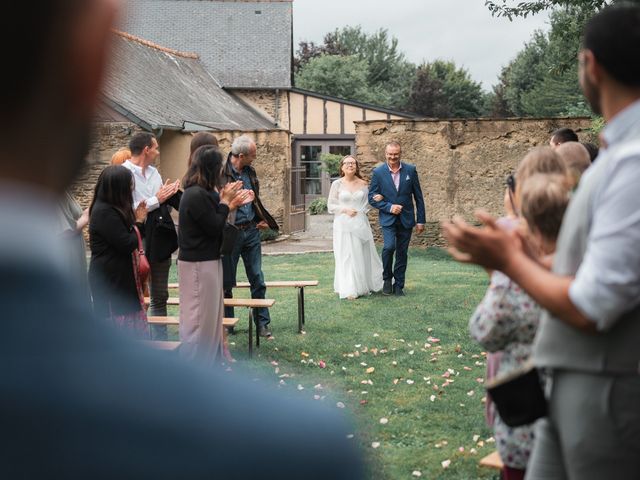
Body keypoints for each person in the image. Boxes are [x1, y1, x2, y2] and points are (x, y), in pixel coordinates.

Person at [0, 1, 363, 477]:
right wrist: (222, 208)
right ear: (91, 63)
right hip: (182, 259)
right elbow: (199, 228)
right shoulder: (290, 448)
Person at [444, 6, 640, 478]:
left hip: (605, 387)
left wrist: (510, 261)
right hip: (565, 380)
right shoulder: (619, 152)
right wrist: (534, 258)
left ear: (590, 66)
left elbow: (594, 305)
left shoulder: (632, 163)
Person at [470, 173, 571, 480]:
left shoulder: (516, 279)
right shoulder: (585, 267)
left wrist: (495, 273)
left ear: (527, 221)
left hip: (527, 410)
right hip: (581, 408)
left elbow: (483, 331)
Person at [178, 146, 251, 364]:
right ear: (212, 167)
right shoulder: (194, 194)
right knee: (198, 318)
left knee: (211, 317)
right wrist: (226, 203)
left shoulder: (205, 191)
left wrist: (229, 202)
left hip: (209, 258)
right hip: (198, 262)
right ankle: (194, 366)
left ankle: (209, 362)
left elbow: (214, 218)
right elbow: (214, 226)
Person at [123, 132, 180, 340]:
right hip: (137, 237)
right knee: (136, 292)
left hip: (160, 237)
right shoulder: (124, 173)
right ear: (146, 149)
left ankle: (161, 338)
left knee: (160, 294)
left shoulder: (155, 172)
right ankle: (137, 338)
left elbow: (153, 203)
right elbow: (134, 209)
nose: (158, 151)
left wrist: (168, 193)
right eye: (155, 148)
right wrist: (158, 198)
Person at [222, 135, 279, 338]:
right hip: (231, 232)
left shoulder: (250, 171)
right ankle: (228, 324)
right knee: (226, 281)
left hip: (252, 231)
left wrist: (259, 218)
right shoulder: (222, 173)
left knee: (257, 277)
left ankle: (262, 324)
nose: (255, 157)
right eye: (252, 154)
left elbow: (254, 198)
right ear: (240, 155)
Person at [88, 165, 149, 338]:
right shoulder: (104, 212)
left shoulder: (111, 208)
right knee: (117, 328)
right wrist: (139, 222)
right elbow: (127, 243)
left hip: (118, 276)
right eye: (129, 186)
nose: (132, 189)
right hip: (110, 279)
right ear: (118, 188)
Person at [368, 141, 426, 296]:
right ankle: (387, 279)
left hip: (406, 218)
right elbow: (372, 198)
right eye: (390, 154)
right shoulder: (378, 172)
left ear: (400, 153)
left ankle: (399, 285)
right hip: (388, 219)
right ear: (385, 154)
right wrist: (389, 207)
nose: (392, 157)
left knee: (402, 252)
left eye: (395, 154)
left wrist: (421, 220)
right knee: (388, 247)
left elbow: (418, 197)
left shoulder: (411, 170)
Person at [327, 155, 383, 299]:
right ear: (342, 167)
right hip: (343, 224)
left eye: (353, 163)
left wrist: (376, 199)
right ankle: (349, 287)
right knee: (346, 255)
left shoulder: (364, 184)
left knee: (360, 253)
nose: (350, 165)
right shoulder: (336, 184)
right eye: (347, 163)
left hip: (359, 223)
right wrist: (345, 210)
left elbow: (368, 203)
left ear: (357, 166)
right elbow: (331, 205)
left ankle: (362, 285)